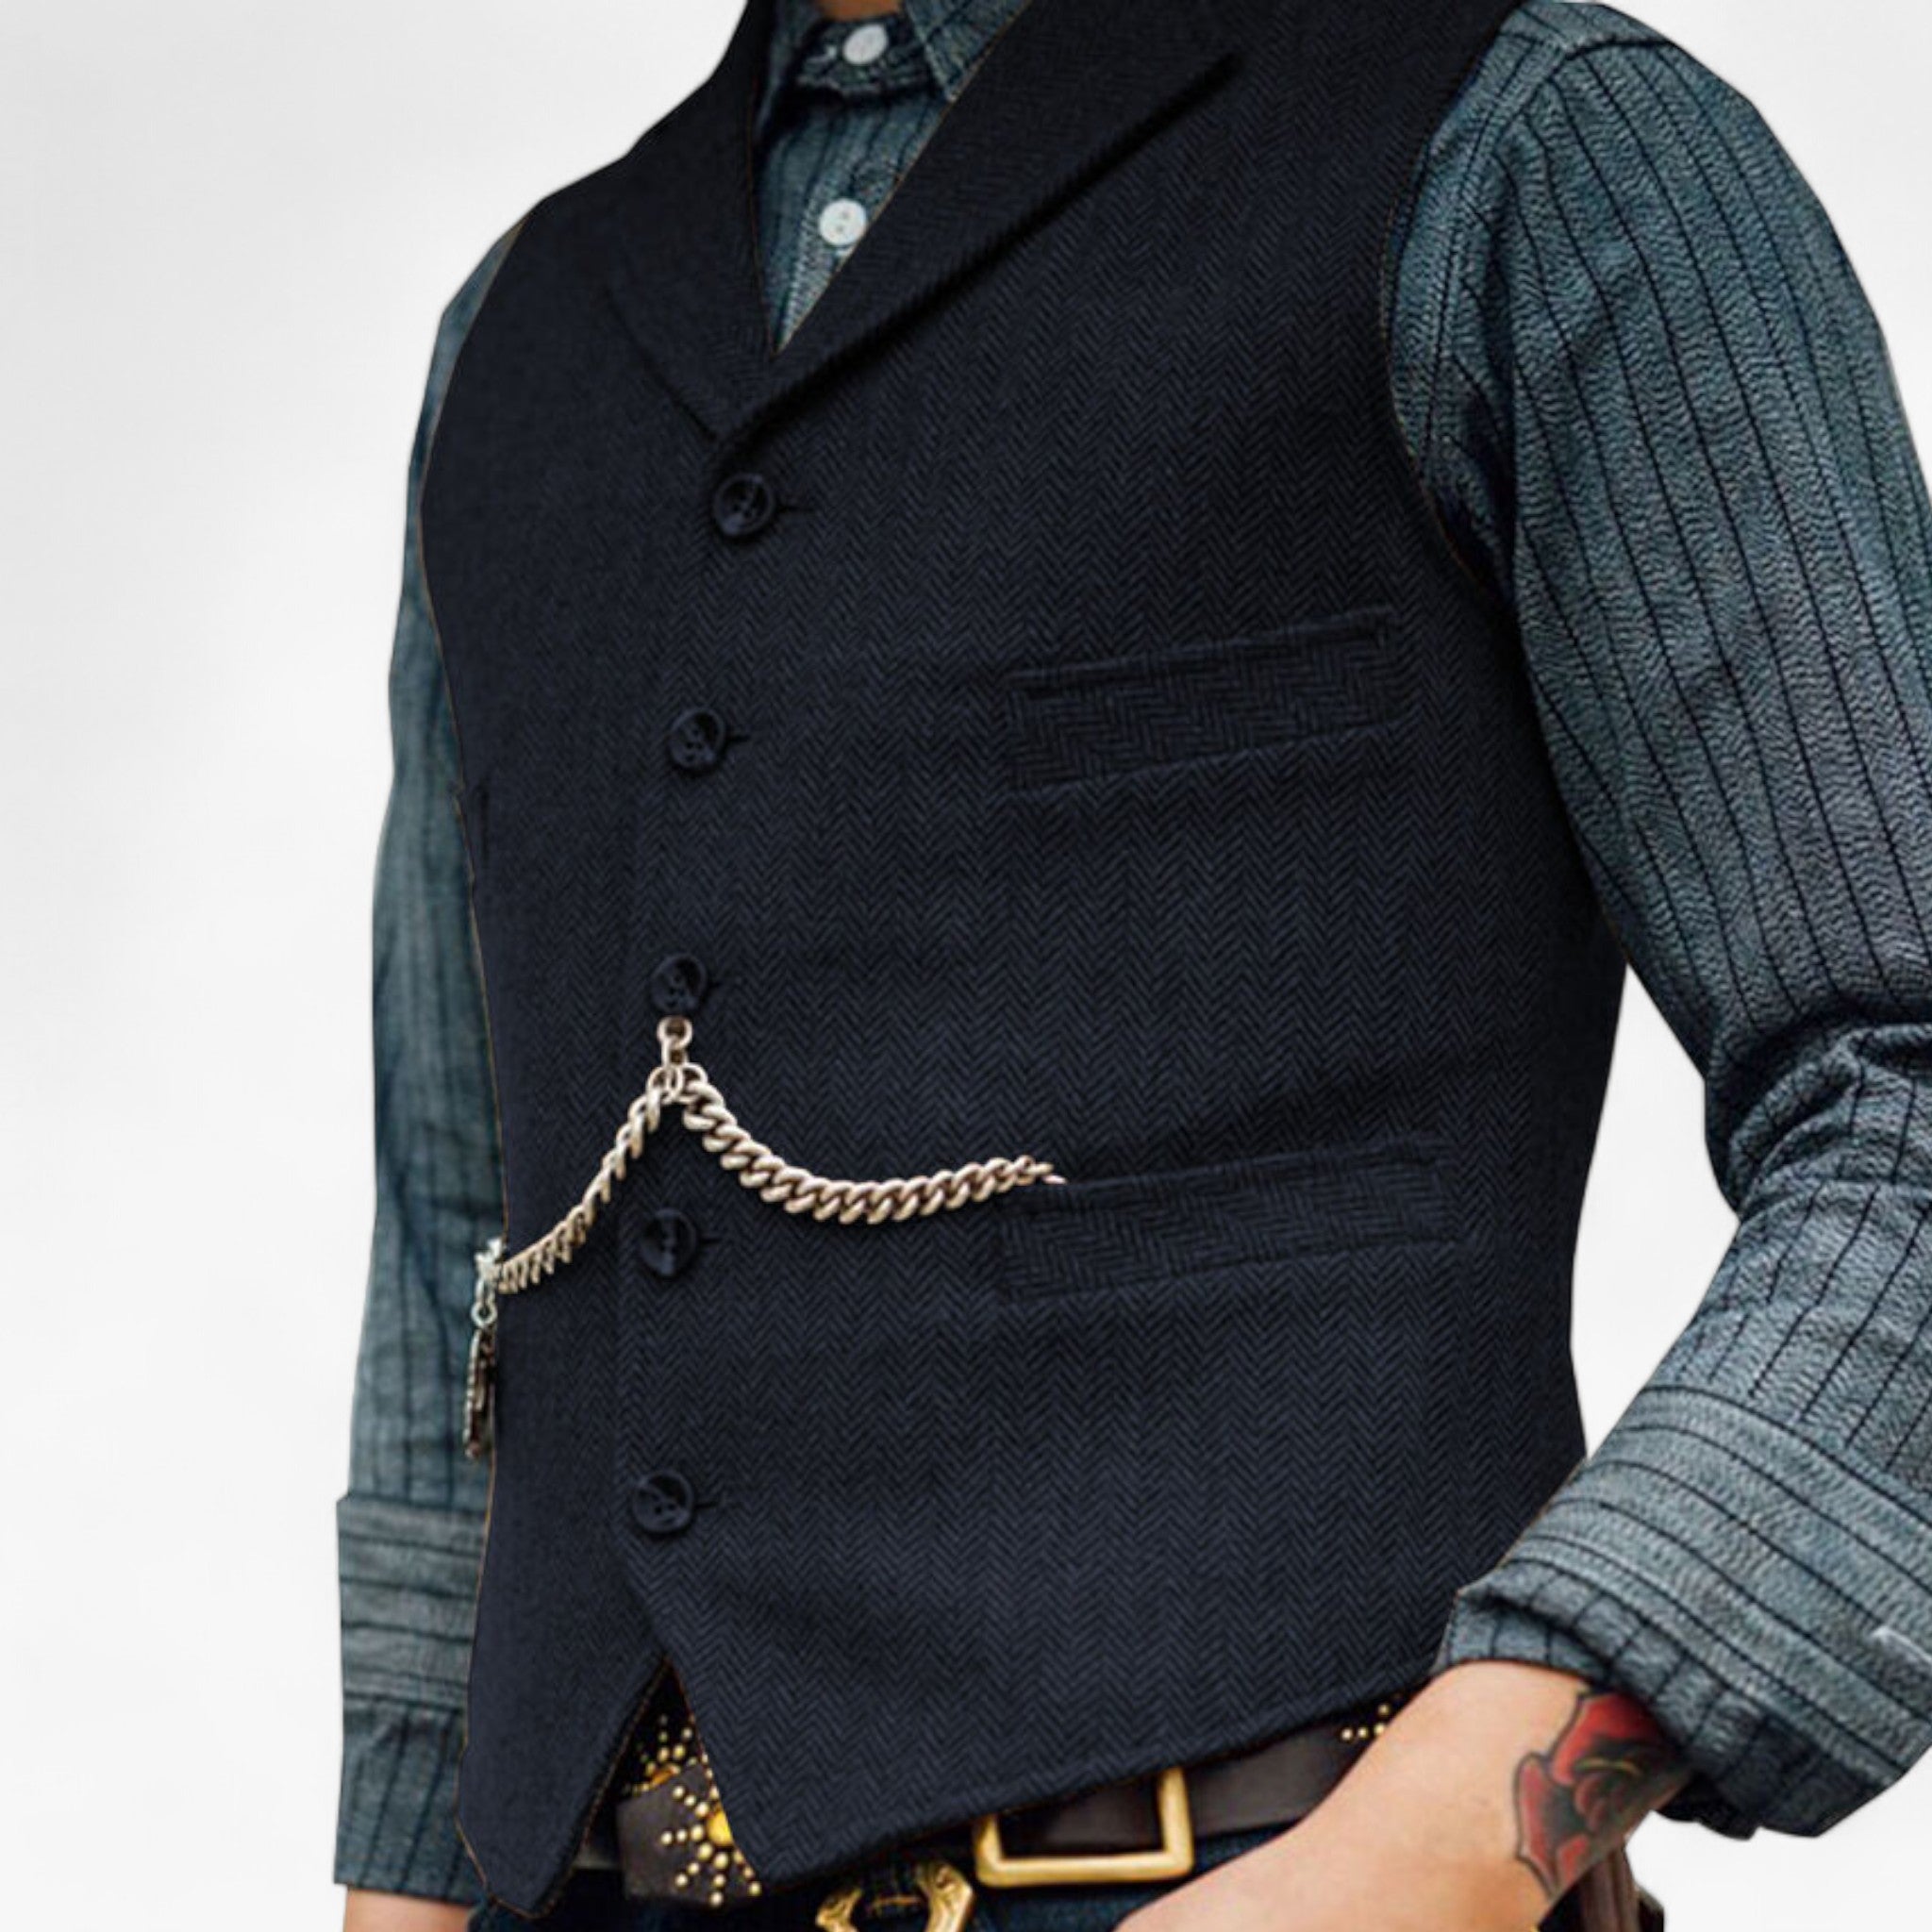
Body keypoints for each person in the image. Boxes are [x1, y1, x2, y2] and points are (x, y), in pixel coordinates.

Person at [335, 0, 1932, 1927]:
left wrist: (1433, 1855)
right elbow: (468, 1263)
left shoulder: (1525, 150)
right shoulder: (516, 339)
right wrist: (399, 1882)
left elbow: (1904, 1101)